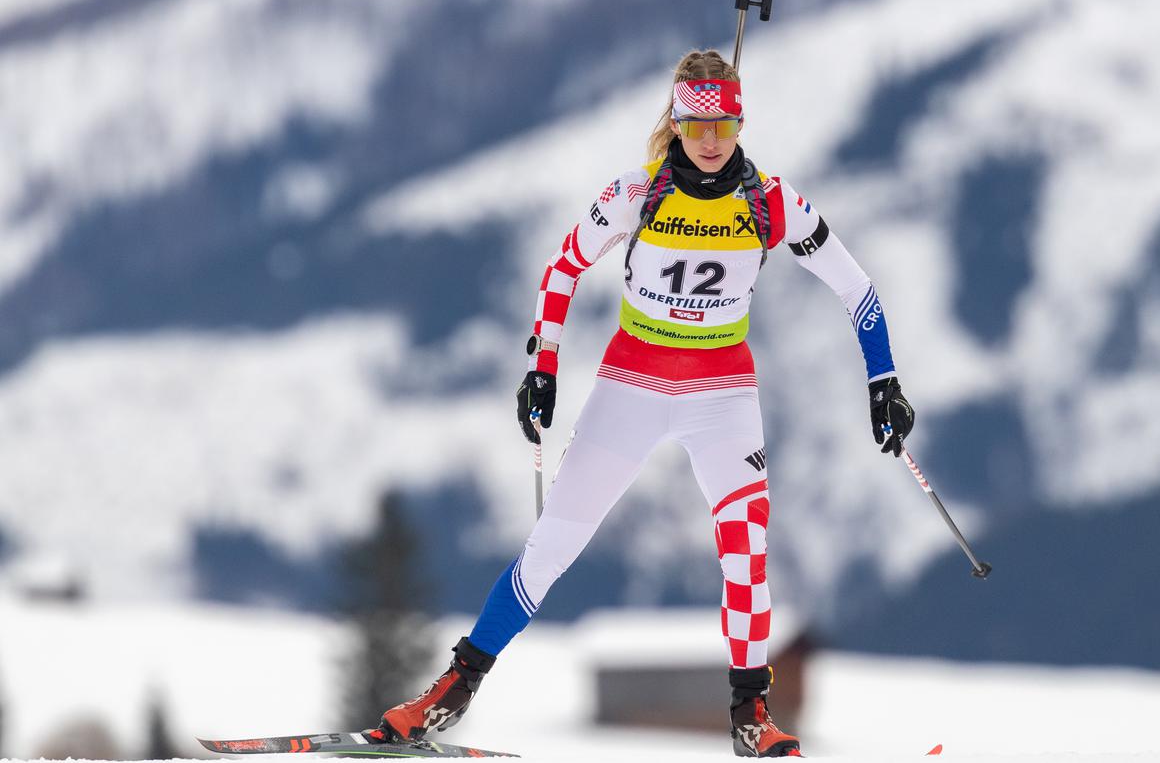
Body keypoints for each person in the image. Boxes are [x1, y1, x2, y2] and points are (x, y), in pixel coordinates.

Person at [374, 49, 914, 758]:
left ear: (741, 121)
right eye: (697, 126)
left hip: (722, 392)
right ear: (677, 123)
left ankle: (751, 712)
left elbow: (858, 289)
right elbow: (563, 267)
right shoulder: (637, 193)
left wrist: (884, 382)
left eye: (724, 124)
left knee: (745, 549)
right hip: (631, 383)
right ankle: (454, 689)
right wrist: (542, 368)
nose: (712, 140)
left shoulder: (771, 203)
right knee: (553, 544)